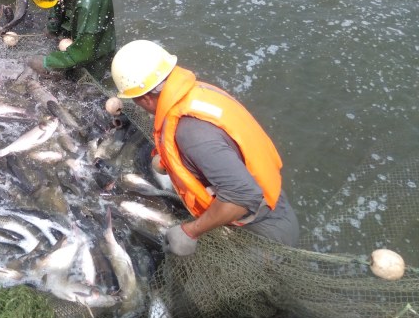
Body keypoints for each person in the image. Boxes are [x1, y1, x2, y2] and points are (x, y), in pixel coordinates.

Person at [111, 40, 300, 255]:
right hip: (268, 202)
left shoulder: (191, 133)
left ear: (145, 99)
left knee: (250, 286)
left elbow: (242, 197)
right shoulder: (196, 91)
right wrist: (165, 159)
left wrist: (191, 231)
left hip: (265, 232)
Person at [22, 0, 115, 75]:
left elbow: (84, 52)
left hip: (95, 42)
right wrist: (53, 26)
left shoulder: (90, 3)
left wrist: (46, 63)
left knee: (91, 71)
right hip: (77, 13)